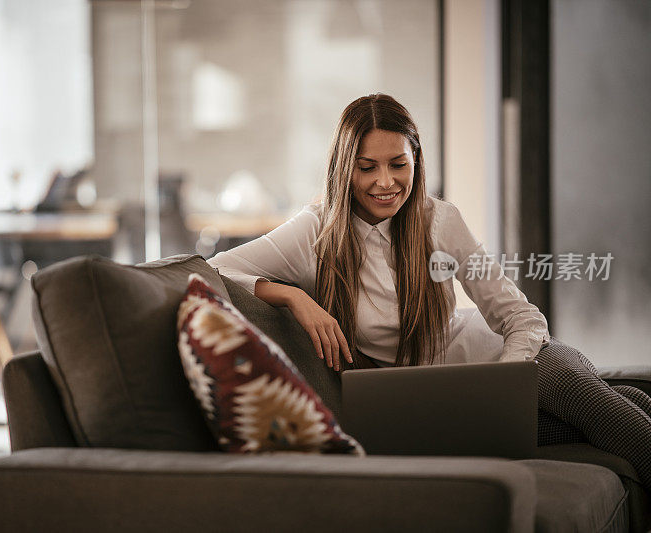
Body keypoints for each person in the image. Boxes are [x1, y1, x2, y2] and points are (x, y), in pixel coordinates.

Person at [207, 93, 651, 491]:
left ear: (416, 160)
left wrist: (506, 386)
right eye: (367, 167)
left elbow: (519, 316)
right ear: (345, 167)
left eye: (398, 164)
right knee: (622, 410)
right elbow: (214, 270)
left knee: (587, 403)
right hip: (438, 406)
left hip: (509, 358)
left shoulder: (439, 219)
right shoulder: (314, 233)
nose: (385, 182)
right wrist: (293, 297)